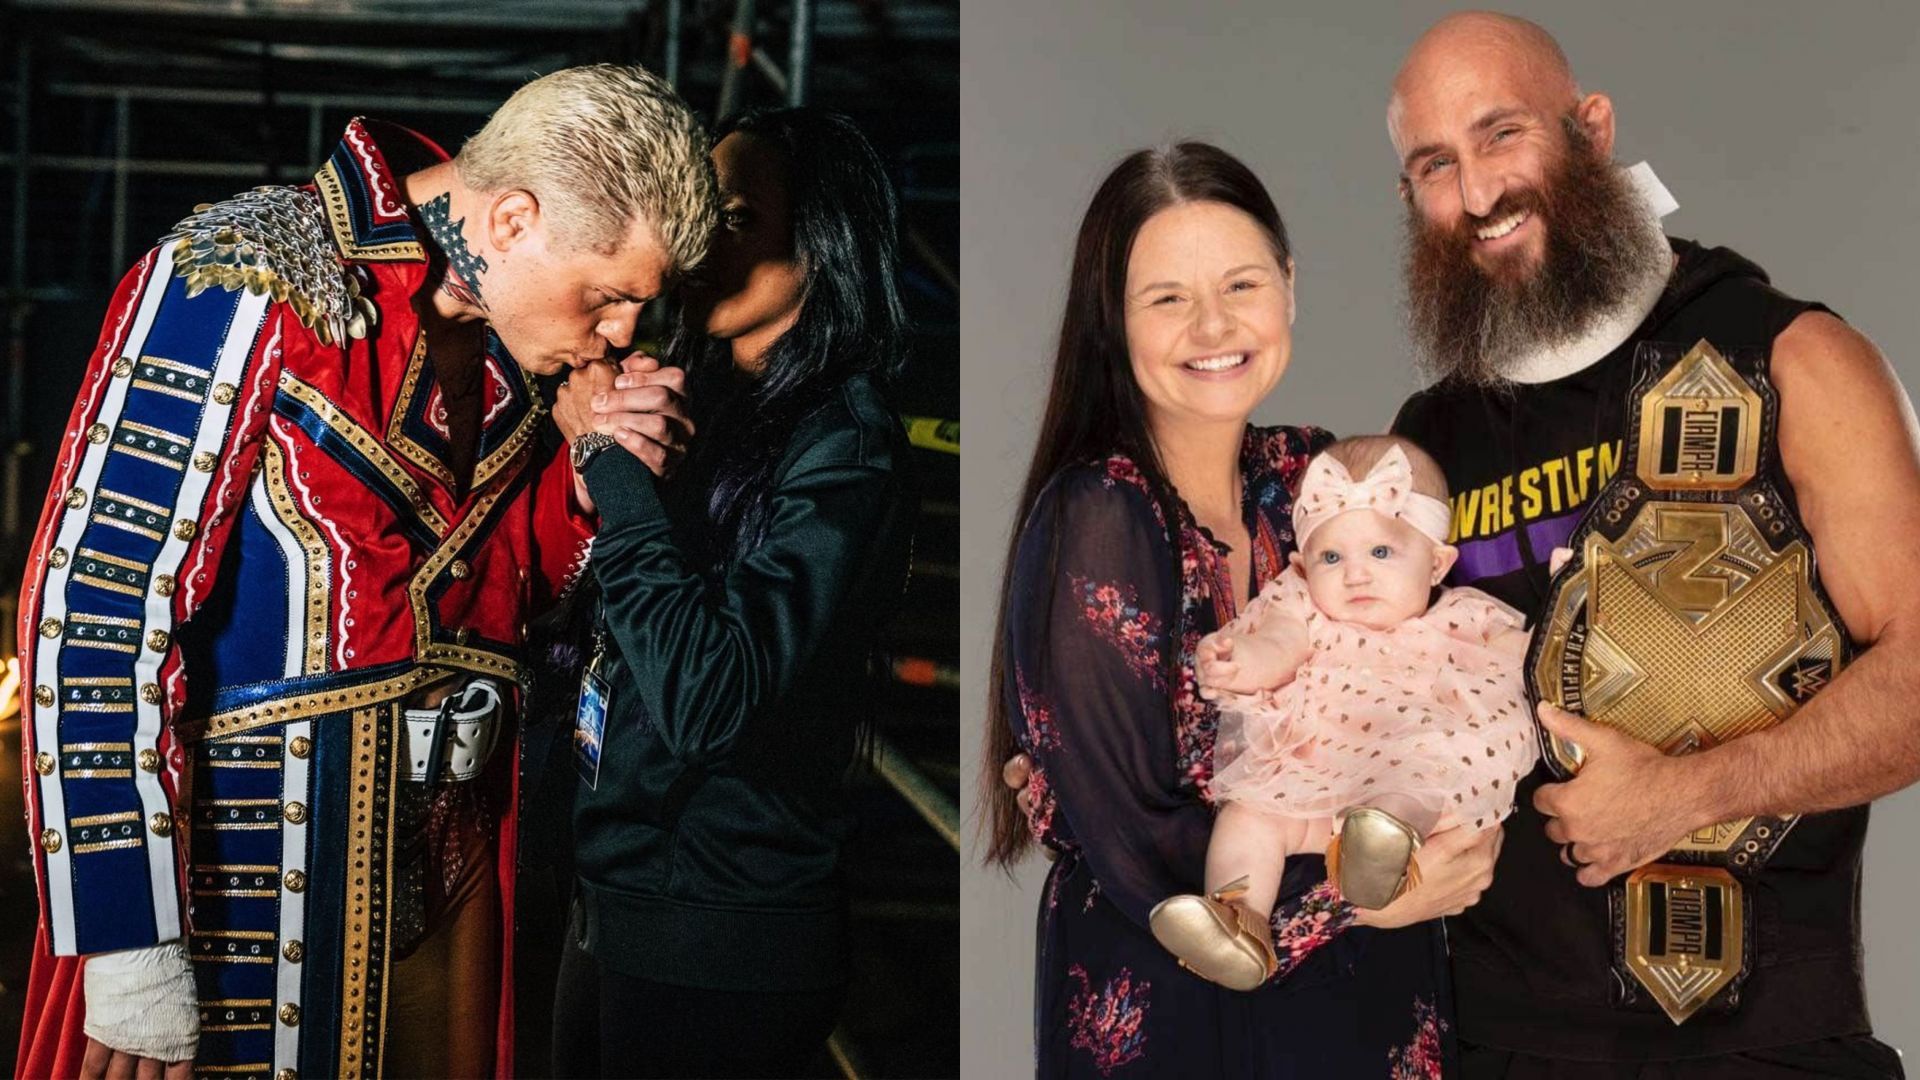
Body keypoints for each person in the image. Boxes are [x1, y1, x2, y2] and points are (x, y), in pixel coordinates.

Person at [13, 64, 715, 1080]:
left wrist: (592, 484)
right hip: (241, 892)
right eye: (608, 296)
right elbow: (96, 605)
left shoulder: (515, 344)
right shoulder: (252, 268)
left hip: (448, 914)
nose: (619, 333)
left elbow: (509, 605)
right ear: (513, 220)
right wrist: (128, 939)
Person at [1387, 12, 1916, 1077]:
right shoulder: (1430, 438)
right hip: (1491, 1044)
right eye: (1436, 165)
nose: (1479, 194)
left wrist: (1688, 794)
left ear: (1590, 129)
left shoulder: (1792, 355)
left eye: (1502, 135)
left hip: (1761, 1048)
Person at [981, 141, 1501, 1079]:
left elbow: (1437, 672)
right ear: (1115, 321)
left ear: (1290, 288)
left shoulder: (1312, 478)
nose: (1213, 325)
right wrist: (1373, 895)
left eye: (1243, 284)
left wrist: (1454, 817)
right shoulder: (1099, 512)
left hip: (1368, 1005)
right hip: (1181, 1015)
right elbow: (1138, 831)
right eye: (1167, 298)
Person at [545, 106, 916, 1078]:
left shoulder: (847, 443)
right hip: (617, 902)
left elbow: (707, 696)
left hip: (719, 938)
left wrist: (609, 462)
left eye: (738, 218)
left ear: (820, 238)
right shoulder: (700, 398)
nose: (700, 241)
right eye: (695, 211)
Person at [1151, 436, 1535, 990]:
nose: (1355, 575)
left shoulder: (1465, 619)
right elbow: (1277, 643)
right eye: (1332, 557)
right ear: (1305, 567)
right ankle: (1238, 920)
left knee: (1421, 770)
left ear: (1437, 563)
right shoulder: (1302, 605)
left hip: (1407, 777)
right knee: (1250, 813)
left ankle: (1379, 848)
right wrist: (1241, 663)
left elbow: (1533, 660)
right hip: (1316, 779)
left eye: (1381, 553)